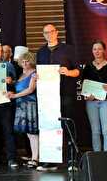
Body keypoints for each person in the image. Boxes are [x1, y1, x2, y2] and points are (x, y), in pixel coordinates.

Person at [36, 24, 80, 171]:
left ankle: (72, 161)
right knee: (49, 127)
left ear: (57, 33)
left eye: (51, 32)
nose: (49, 34)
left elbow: (78, 72)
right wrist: (36, 76)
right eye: (45, 32)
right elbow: (39, 72)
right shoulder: (40, 52)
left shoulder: (68, 49)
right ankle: (50, 160)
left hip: (65, 93)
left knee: (67, 126)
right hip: (47, 97)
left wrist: (68, 72)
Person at [81, 40, 107, 152]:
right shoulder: (88, 67)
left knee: (106, 130)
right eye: (94, 49)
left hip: (106, 102)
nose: (97, 51)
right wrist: (87, 95)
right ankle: (96, 156)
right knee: (95, 131)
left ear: (104, 50)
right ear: (92, 51)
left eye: (99, 49)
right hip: (91, 103)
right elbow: (84, 84)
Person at [7, 52, 39, 168]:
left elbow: (30, 90)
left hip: (30, 104)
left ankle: (35, 158)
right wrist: (12, 92)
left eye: (27, 61)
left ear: (31, 61)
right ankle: (33, 156)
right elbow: (18, 87)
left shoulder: (34, 73)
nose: (25, 63)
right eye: (23, 61)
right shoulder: (21, 74)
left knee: (33, 133)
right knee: (28, 134)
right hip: (21, 105)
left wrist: (14, 96)